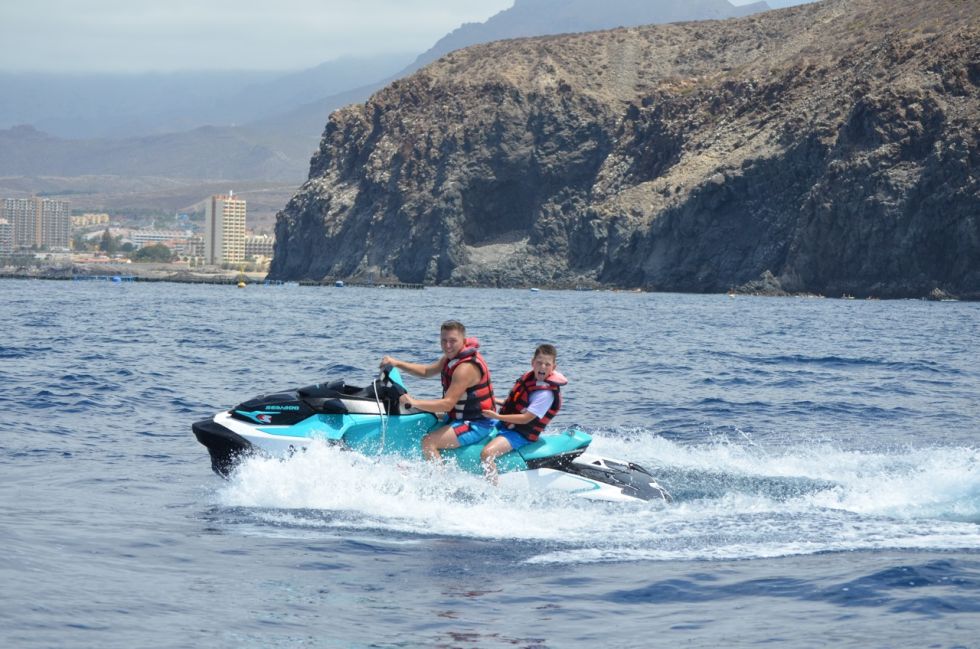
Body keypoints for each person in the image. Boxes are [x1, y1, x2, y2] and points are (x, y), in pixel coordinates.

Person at [381, 320, 496, 461]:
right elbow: (426, 371)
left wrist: (413, 402)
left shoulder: (465, 368)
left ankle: (438, 481)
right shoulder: (450, 358)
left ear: (464, 341)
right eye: (444, 341)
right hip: (457, 417)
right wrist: (397, 363)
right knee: (424, 423)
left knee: (428, 442)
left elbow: (447, 404)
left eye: (452, 341)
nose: (447, 346)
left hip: (476, 424)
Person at [480, 344, 566, 483]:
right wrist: (490, 400)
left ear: (553, 367)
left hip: (520, 434)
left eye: (547, 364)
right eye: (539, 362)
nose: (542, 367)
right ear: (533, 363)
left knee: (487, 453)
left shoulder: (545, 394)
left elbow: (527, 418)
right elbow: (513, 405)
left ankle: (492, 491)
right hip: (507, 425)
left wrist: (497, 416)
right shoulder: (529, 380)